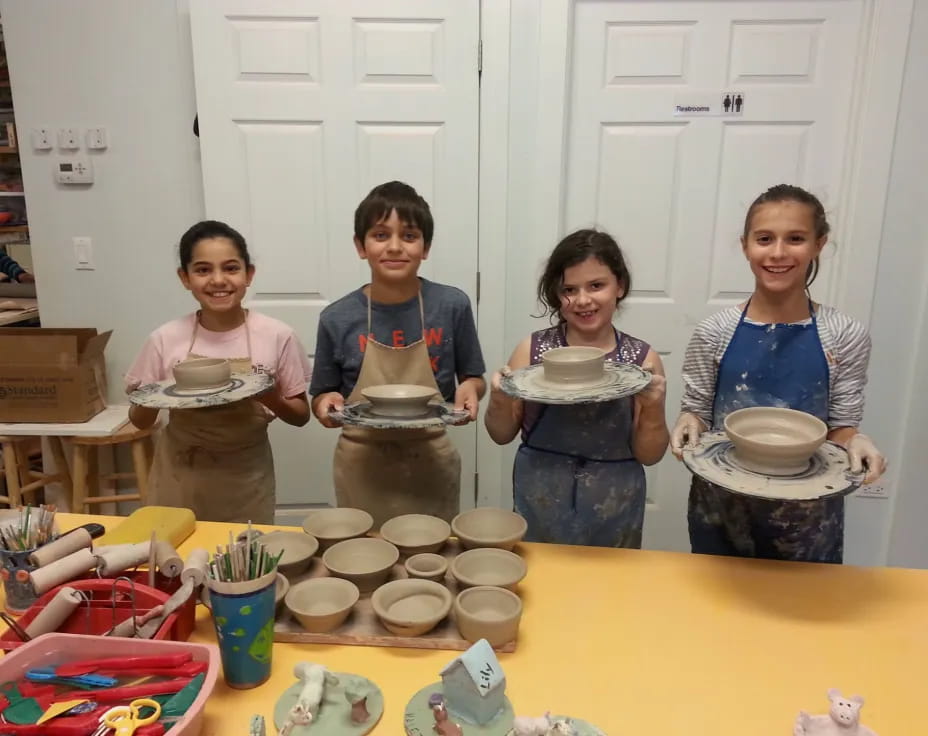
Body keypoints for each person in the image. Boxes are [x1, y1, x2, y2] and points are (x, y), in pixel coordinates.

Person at [671, 184, 887, 563]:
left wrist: (857, 441)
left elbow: (842, 426)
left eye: (796, 239)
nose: (778, 253)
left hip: (807, 519)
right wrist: (688, 421)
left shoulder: (844, 335)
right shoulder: (714, 332)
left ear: (819, 244)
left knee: (802, 618)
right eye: (765, 239)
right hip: (722, 511)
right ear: (745, 245)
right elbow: (698, 412)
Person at [310, 181, 486, 526]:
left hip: (430, 459)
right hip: (362, 463)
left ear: (426, 247)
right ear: (360, 246)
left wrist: (471, 390)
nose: (394, 247)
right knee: (364, 558)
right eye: (380, 235)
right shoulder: (337, 317)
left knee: (431, 561)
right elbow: (322, 394)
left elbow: (473, 377)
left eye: (408, 236)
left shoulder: (451, 306)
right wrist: (325, 405)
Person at [484, 229, 668, 547]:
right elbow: (500, 435)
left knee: (609, 593)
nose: (582, 300)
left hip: (615, 505)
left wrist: (652, 408)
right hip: (541, 498)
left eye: (596, 285)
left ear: (619, 286)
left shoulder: (642, 360)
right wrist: (499, 398)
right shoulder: (531, 350)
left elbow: (650, 455)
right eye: (570, 289)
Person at [125, 220, 311, 523]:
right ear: (184, 278)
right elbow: (139, 422)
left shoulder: (277, 335)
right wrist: (150, 397)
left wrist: (269, 395)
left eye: (230, 268)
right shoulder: (165, 339)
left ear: (249, 274)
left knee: (243, 562)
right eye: (202, 270)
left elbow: (301, 416)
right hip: (181, 471)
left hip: (246, 475)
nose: (218, 280)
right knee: (178, 561)